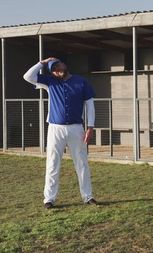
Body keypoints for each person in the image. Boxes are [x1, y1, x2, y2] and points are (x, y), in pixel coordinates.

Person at [23, 57, 97, 209]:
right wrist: (42, 63)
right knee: (52, 163)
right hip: (55, 128)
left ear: (64, 64)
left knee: (82, 163)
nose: (57, 70)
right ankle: (49, 199)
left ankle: (88, 196)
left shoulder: (81, 81)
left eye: (58, 66)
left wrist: (90, 126)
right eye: (54, 69)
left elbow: (90, 105)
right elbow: (27, 76)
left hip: (76, 128)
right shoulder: (49, 81)